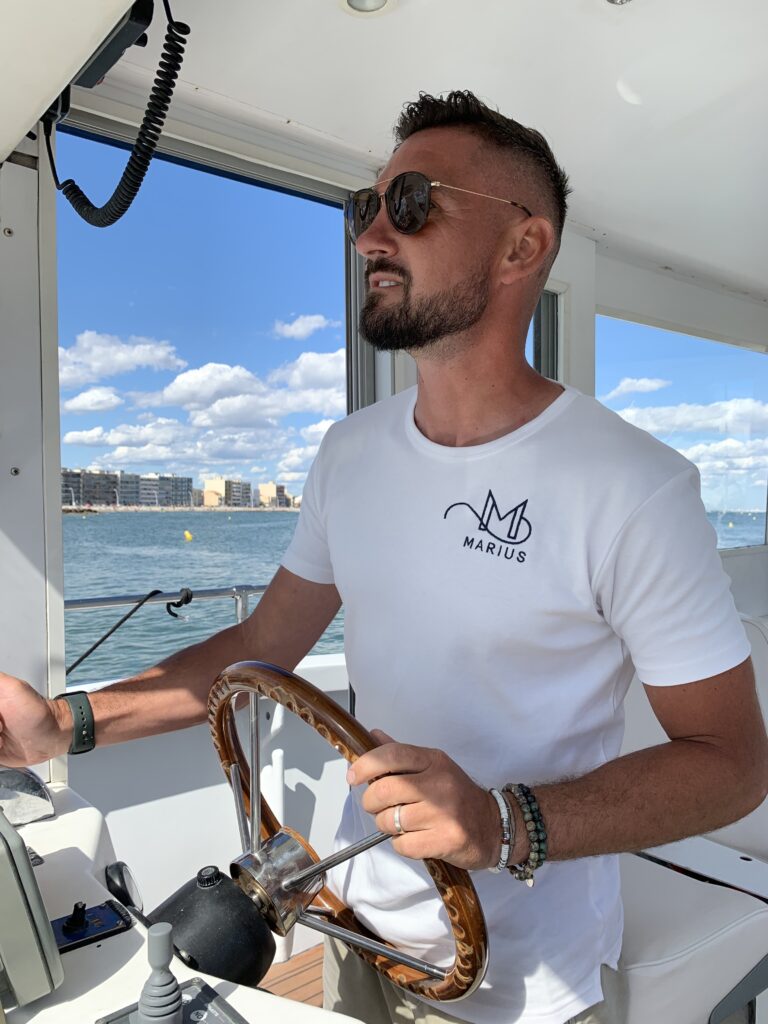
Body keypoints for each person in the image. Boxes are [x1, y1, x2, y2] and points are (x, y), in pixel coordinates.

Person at [1, 91, 767, 1024]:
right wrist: (63, 725)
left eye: (411, 204)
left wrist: (503, 823)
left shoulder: (634, 486)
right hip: (355, 926)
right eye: (367, 208)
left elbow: (732, 762)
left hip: (527, 985)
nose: (369, 236)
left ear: (523, 246)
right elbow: (261, 647)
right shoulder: (349, 453)